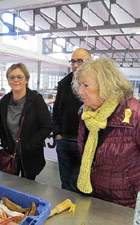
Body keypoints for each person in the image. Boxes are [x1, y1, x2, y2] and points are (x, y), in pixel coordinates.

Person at [72, 58, 140, 208]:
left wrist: (133, 180)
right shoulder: (86, 114)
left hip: (126, 203)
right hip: (94, 196)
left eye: (86, 85)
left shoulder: (139, 118)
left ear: (106, 85)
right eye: (80, 85)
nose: (80, 91)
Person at [0, 63, 52, 180]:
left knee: (27, 186)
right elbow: (2, 126)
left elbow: (47, 127)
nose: (15, 80)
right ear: (8, 80)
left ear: (26, 79)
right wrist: (6, 145)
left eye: (19, 77)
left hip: (30, 155)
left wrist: (29, 146)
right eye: (12, 77)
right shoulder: (4, 101)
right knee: (10, 185)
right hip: (10, 153)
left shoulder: (36, 100)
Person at [52, 48, 91, 191]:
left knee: (82, 184)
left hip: (85, 144)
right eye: (73, 61)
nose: (75, 65)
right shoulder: (64, 84)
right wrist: (57, 134)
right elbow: (56, 110)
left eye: (79, 61)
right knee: (65, 182)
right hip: (64, 141)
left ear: (90, 62)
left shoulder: (97, 85)